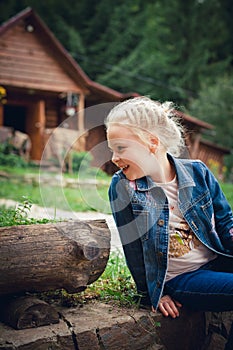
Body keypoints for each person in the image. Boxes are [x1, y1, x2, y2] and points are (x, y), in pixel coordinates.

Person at [105, 96, 233, 339]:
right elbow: (132, 247)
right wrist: (154, 293)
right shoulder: (123, 187)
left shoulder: (198, 172)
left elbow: (226, 223)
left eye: (120, 148)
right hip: (182, 278)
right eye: (112, 150)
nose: (113, 158)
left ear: (151, 142)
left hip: (216, 261)